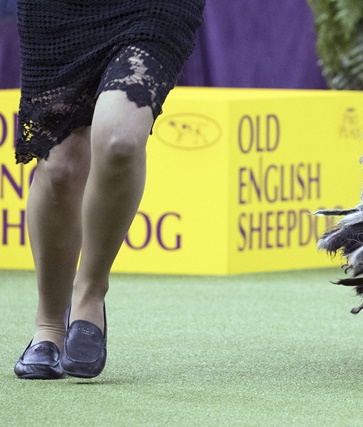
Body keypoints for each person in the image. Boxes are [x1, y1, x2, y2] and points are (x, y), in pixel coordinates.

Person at [13, 0, 205, 379]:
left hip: (152, 7)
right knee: (61, 167)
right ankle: (49, 324)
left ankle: (89, 294)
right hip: (58, 11)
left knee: (120, 140)